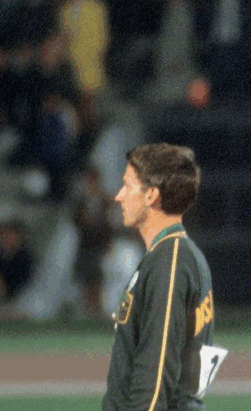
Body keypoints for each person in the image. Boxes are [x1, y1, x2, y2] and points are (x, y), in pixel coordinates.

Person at [102, 143, 225, 411]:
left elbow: (156, 371)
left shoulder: (170, 260)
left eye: (128, 186)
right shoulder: (179, 255)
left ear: (151, 195)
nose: (119, 196)